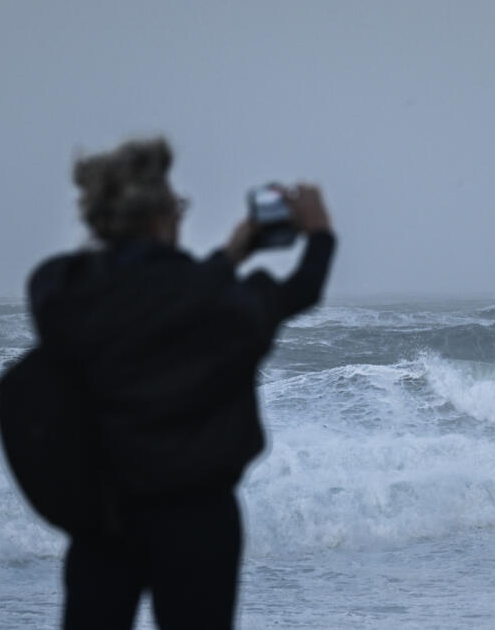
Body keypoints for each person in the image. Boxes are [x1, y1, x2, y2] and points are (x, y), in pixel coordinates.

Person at [26, 137, 335, 629]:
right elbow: (301, 289)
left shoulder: (61, 292)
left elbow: (153, 298)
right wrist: (319, 233)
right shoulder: (221, 302)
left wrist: (227, 257)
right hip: (199, 517)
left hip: (103, 517)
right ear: (164, 217)